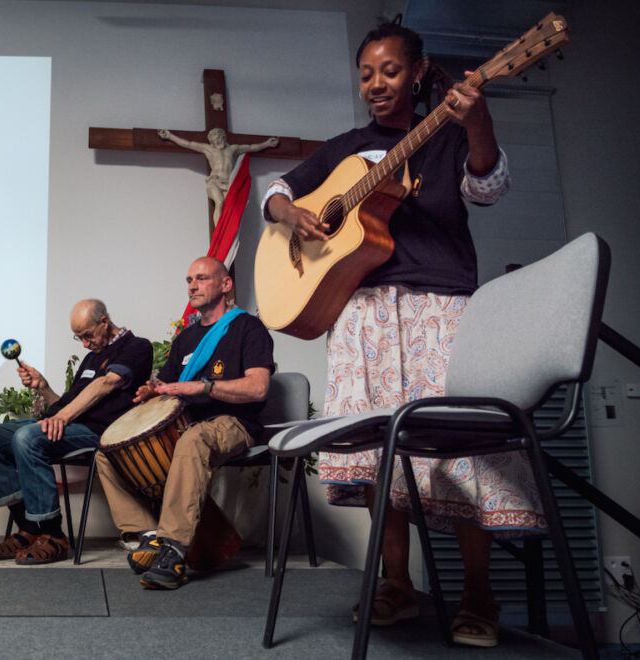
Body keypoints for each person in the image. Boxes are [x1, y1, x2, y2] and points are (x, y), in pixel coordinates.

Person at [262, 21, 524, 648]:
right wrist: (291, 212)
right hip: (361, 311)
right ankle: (398, 585)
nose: (376, 84)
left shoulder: (447, 130)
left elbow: (487, 186)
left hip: (442, 303)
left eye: (390, 71)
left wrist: (479, 120)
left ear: (417, 72)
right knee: (382, 457)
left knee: (461, 448)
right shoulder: (346, 146)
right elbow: (275, 190)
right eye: (366, 74)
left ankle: (478, 592)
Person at [96, 257, 274, 590]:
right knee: (107, 451)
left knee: (192, 441)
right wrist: (150, 391)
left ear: (225, 284)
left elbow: (258, 387)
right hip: (187, 422)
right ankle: (150, 534)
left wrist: (205, 387)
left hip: (234, 422)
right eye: (189, 279)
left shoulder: (248, 329)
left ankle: (174, 552)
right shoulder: (186, 338)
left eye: (202, 278)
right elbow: (166, 386)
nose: (192, 285)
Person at [0, 299, 152, 565]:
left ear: (104, 322)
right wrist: (43, 386)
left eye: (88, 336)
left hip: (99, 432)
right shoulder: (91, 358)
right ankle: (29, 528)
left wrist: (62, 416)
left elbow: (106, 384)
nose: (85, 344)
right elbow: (65, 405)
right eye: (78, 338)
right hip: (70, 425)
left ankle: (53, 536)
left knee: (27, 438)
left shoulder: (137, 347)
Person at [157, 128, 278, 225]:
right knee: (219, 202)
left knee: (232, 207)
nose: (213, 138)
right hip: (214, 181)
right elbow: (188, 144)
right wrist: (169, 136)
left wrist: (267, 144)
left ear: (222, 136)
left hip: (229, 182)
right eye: (212, 136)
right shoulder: (208, 149)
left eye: (215, 135)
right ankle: (219, 231)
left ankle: (226, 230)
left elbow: (251, 147)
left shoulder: (233, 149)